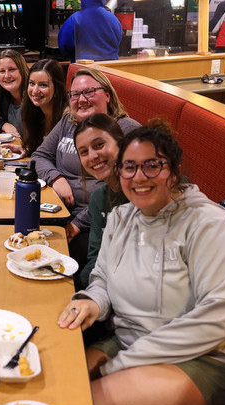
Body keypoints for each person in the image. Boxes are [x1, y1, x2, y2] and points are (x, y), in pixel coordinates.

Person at [57, 120, 225, 405]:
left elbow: (216, 318)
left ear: (174, 171)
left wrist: (123, 364)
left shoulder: (208, 225)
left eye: (152, 165)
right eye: (129, 167)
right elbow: (102, 276)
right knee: (56, 381)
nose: (139, 177)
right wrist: (92, 301)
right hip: (129, 338)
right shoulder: (120, 217)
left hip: (206, 358)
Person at [31, 68, 140, 269]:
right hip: (58, 209)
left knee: (50, 258)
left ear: (107, 95)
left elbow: (119, 194)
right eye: (74, 94)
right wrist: (56, 178)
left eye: (89, 92)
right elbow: (39, 156)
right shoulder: (68, 122)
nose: (81, 99)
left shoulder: (125, 129)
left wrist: (78, 224)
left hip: (95, 221)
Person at [74, 114, 126, 289]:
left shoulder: (150, 189)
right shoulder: (98, 199)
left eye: (99, 145)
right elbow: (96, 258)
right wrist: (76, 289)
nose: (93, 156)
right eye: (84, 152)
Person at [10, 59, 67, 158]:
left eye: (43, 85)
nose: (35, 91)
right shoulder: (34, 112)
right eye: (32, 83)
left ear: (57, 88)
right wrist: (27, 149)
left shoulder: (66, 118)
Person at [58, 0, 122, 63]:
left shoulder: (75, 19)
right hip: (110, 67)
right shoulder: (114, 19)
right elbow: (118, 41)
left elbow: (64, 45)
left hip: (84, 68)